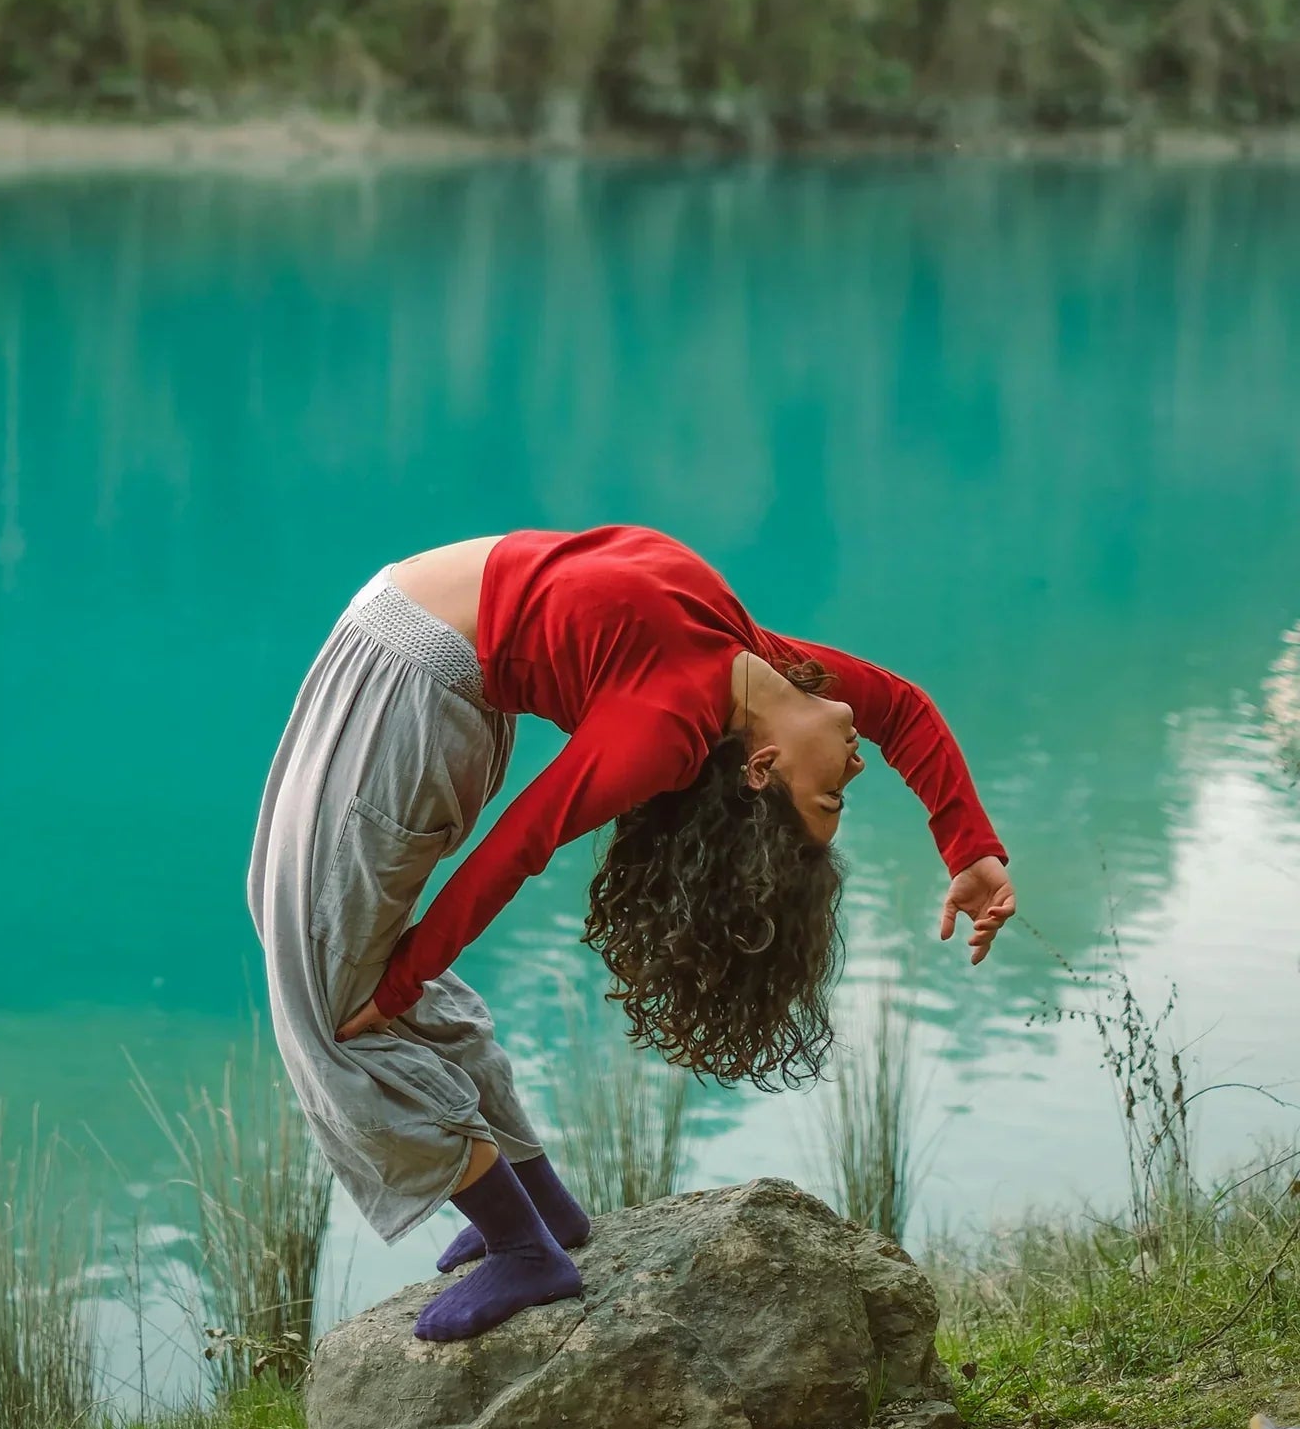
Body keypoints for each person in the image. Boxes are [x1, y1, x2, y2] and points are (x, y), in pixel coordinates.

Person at [247, 525, 1016, 1343]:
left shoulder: (666, 725)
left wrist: (401, 985)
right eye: (834, 803)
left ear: (762, 765)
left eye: (831, 800)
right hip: (387, 650)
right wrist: (970, 848)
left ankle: (522, 1248)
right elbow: (902, 708)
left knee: (329, 1000)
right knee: (291, 919)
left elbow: (520, 847)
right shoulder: (750, 654)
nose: (854, 775)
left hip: (413, 690)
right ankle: (545, 1207)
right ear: (760, 764)